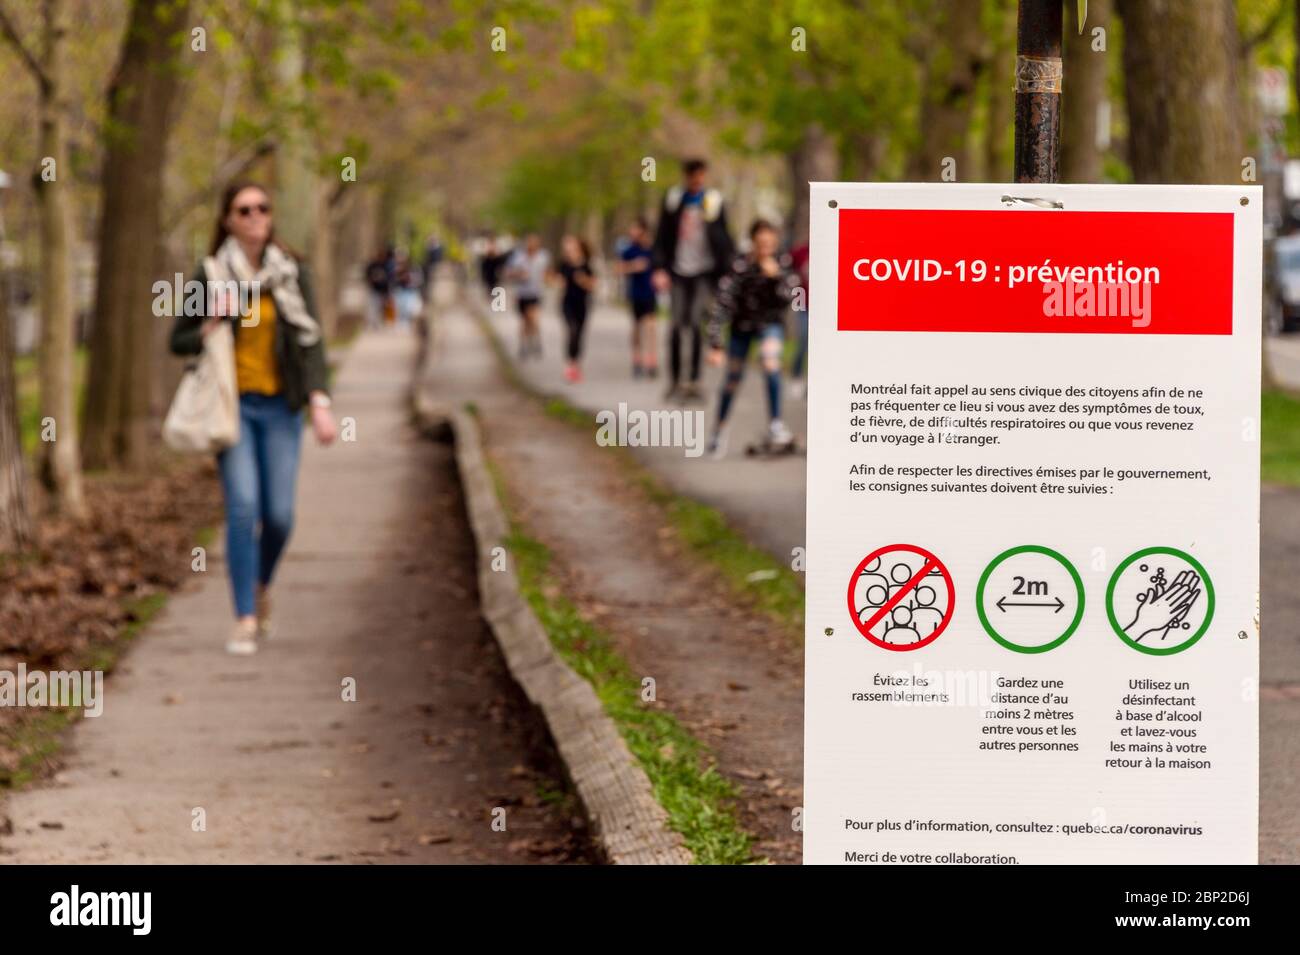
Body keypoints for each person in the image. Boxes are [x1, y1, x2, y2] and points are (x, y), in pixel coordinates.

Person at [170, 180, 337, 655]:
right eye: (244, 210)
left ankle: (262, 584)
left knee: (279, 516)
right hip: (234, 408)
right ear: (228, 220)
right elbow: (177, 340)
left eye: (262, 207)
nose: (255, 216)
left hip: (282, 408)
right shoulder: (210, 275)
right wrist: (210, 325)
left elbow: (311, 340)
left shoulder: (292, 271)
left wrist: (320, 401)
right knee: (243, 508)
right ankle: (244, 616)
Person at [704, 218, 799, 458]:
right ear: (754, 243)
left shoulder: (783, 263)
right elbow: (722, 302)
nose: (765, 249)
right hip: (742, 326)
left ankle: (775, 424)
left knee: (770, 362)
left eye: (769, 244)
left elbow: (795, 298)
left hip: (770, 325)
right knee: (732, 379)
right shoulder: (740, 265)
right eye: (761, 244)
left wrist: (777, 277)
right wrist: (716, 344)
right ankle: (719, 430)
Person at [652, 158, 734, 402]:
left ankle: (695, 381)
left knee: (697, 323)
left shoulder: (713, 201)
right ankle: (676, 380)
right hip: (678, 271)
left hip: (704, 272)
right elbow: (662, 236)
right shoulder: (674, 200)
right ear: (686, 176)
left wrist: (725, 271)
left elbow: (724, 238)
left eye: (700, 175)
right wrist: (659, 268)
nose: (697, 180)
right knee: (677, 325)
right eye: (692, 175)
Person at [617, 217, 658, 378]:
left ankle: (651, 361)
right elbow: (618, 269)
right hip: (635, 293)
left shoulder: (653, 250)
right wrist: (634, 266)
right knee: (636, 328)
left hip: (651, 293)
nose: (631, 231)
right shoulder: (629, 250)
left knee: (651, 327)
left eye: (635, 228)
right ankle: (637, 360)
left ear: (643, 230)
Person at [554, 235, 595, 382]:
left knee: (579, 334)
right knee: (572, 330)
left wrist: (583, 280)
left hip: (582, 304)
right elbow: (555, 279)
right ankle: (570, 364)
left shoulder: (586, 265)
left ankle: (576, 363)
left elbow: (592, 285)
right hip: (567, 303)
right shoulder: (564, 265)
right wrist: (558, 282)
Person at [505, 233, 549, 359]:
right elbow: (508, 273)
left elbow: (547, 272)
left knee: (534, 319)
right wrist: (519, 274)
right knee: (524, 321)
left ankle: (536, 342)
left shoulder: (542, 257)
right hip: (522, 294)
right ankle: (523, 345)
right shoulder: (518, 258)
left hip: (536, 293)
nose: (532, 246)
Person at [787, 239, 810, 398]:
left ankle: (811, 383)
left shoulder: (831, 249)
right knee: (803, 341)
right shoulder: (800, 252)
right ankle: (796, 376)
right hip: (803, 306)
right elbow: (786, 267)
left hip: (825, 310)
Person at [364, 248, 391, 330]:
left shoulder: (385, 266)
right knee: (372, 307)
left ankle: (380, 322)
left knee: (381, 307)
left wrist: (387, 293)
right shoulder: (372, 265)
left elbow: (388, 280)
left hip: (382, 291)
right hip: (373, 290)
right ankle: (372, 323)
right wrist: (372, 280)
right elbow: (367, 276)